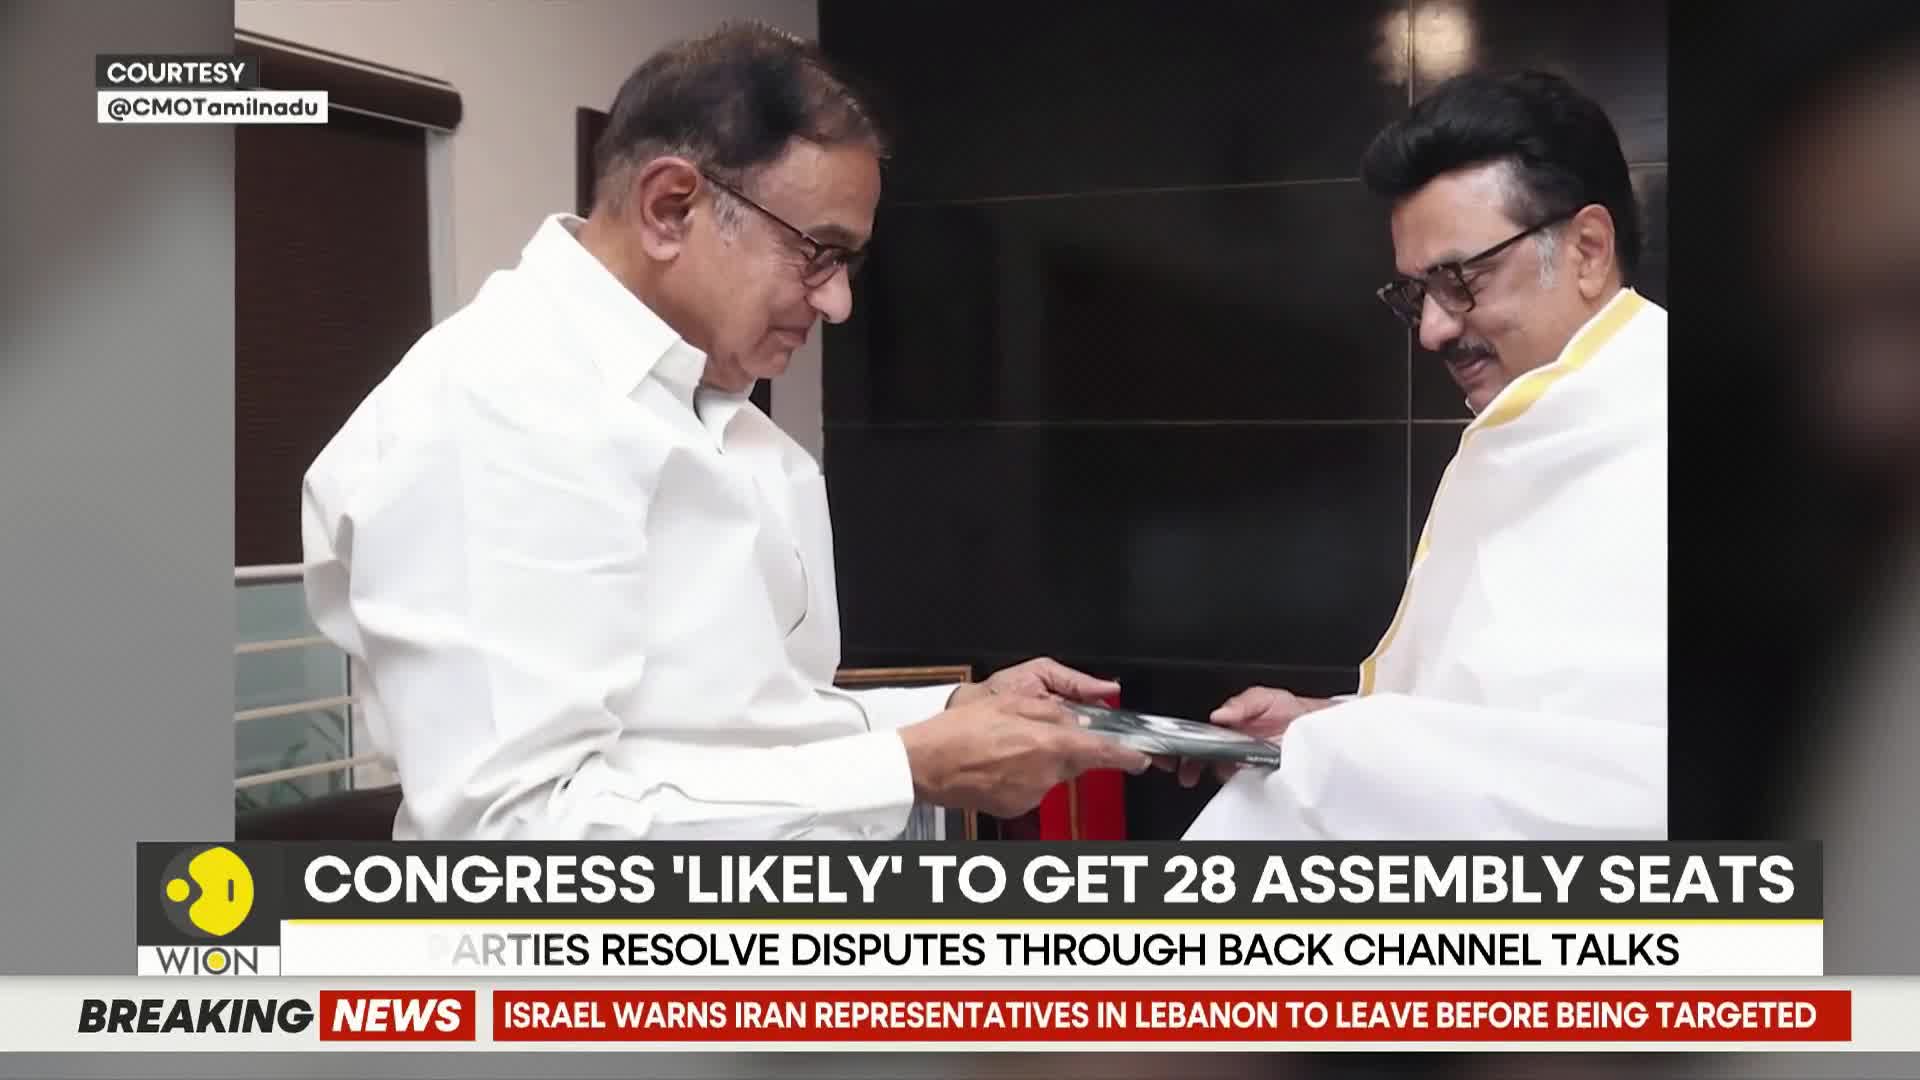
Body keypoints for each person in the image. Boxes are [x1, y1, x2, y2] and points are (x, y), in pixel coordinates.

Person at [299, 21, 1148, 842]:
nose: (838, 301)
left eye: (848, 264)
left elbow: (749, 727)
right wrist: (904, 768)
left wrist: (952, 716)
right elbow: (516, 834)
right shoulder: (490, 411)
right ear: (671, 208)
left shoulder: (724, 417)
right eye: (817, 251)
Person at [1180, 70, 1668, 840]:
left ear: (1588, 249)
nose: (1433, 332)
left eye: (1461, 280)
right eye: (1415, 294)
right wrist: (1323, 727)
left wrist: (1348, 756)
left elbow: (1638, 789)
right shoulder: (1521, 428)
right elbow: (1499, 722)